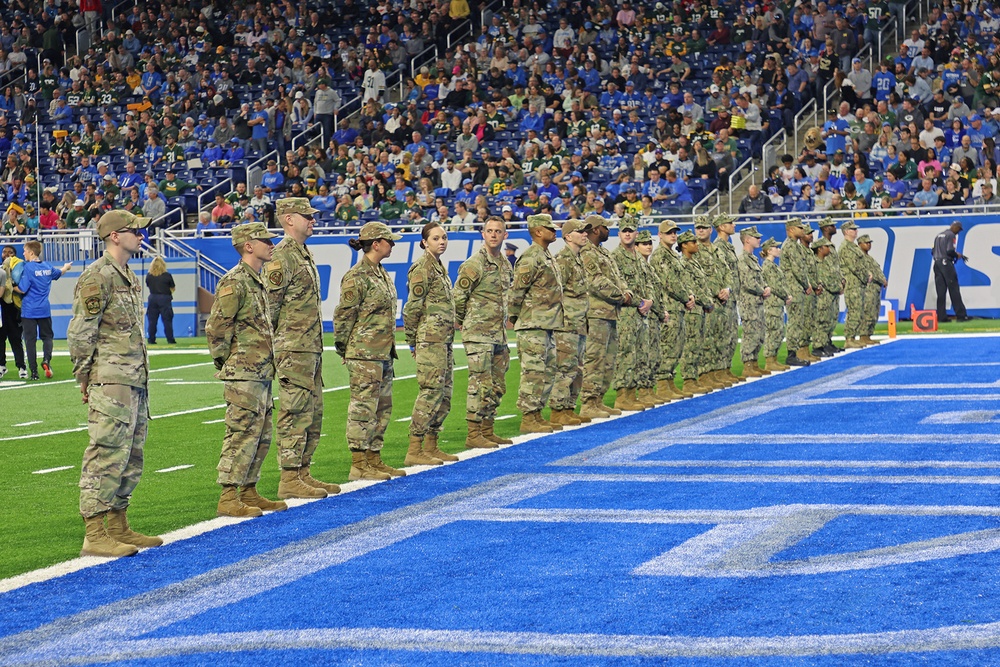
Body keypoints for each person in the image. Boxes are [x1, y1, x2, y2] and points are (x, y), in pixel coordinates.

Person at [68, 209, 160, 558]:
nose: (141, 235)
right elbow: (80, 333)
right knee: (106, 452)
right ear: (114, 236)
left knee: (131, 454)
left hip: (133, 378)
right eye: (134, 230)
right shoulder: (97, 276)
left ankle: (119, 524)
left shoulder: (128, 275)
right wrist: (84, 377)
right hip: (110, 380)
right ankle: (94, 531)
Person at [206, 222, 288, 518]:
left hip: (261, 371)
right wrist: (227, 361)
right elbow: (217, 328)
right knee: (241, 433)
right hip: (244, 372)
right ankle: (229, 494)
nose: (271, 244)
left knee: (262, 434)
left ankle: (249, 489)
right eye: (264, 240)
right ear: (248, 245)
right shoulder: (235, 281)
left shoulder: (257, 279)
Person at [265, 198, 341, 500]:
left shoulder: (303, 253)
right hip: (292, 350)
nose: (312, 220)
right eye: (306, 216)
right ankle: (289, 476)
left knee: (312, 412)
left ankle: (303, 471)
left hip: (309, 348)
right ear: (287, 219)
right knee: (294, 411)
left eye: (312, 215)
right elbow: (269, 307)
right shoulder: (281, 256)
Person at [334, 222, 406, 480]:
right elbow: (344, 315)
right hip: (364, 353)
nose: (393, 245)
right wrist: (344, 348)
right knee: (363, 408)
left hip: (383, 352)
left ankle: (374, 457)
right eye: (389, 240)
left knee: (382, 407)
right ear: (376, 243)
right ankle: (359, 462)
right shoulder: (357, 276)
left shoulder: (380, 272)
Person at [454, 217, 514, 449]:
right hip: (478, 334)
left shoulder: (505, 264)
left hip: (498, 334)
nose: (493, 235)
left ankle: (487, 429)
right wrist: (462, 322)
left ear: (504, 235)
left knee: (497, 385)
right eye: (489, 231)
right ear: (483, 233)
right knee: (479, 384)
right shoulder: (474, 263)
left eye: (498, 231)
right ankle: (473, 432)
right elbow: (458, 296)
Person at [403, 222, 459, 465]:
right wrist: (413, 341)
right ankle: (414, 449)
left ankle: (431, 444)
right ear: (425, 242)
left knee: (444, 395)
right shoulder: (422, 268)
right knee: (430, 392)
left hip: (444, 340)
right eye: (436, 238)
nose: (442, 241)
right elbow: (412, 307)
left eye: (444, 237)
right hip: (430, 340)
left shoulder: (438, 266)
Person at [509, 213, 565, 434]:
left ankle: (537, 413)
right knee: (533, 372)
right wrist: (516, 317)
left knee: (547, 370)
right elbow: (516, 292)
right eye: (549, 228)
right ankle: (528, 416)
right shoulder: (531, 257)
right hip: (532, 324)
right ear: (538, 231)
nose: (554, 231)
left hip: (547, 323)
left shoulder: (546, 255)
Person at [579, 214, 634, 419]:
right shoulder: (587, 252)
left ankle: (598, 400)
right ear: (595, 230)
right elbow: (596, 281)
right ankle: (588, 402)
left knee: (608, 360)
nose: (608, 230)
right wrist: (621, 296)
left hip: (610, 312)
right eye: (605, 227)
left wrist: (626, 292)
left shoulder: (603, 253)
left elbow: (617, 277)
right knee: (594, 358)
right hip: (595, 313)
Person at [549, 218, 592, 426]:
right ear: (567, 236)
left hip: (579, 322)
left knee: (576, 368)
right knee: (564, 368)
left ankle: (568, 407)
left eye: (585, 231)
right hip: (566, 324)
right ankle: (558, 410)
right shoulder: (563, 260)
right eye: (580, 231)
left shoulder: (577, 258)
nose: (585, 234)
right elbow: (556, 292)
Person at [611, 215, 656, 411]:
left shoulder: (639, 258)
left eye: (631, 231)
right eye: (624, 231)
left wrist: (650, 300)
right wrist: (640, 301)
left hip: (641, 313)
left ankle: (633, 392)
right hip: (626, 313)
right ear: (619, 233)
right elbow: (618, 284)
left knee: (640, 354)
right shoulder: (615, 257)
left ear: (636, 234)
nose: (627, 234)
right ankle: (622, 395)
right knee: (625, 354)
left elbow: (649, 283)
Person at [649, 221, 695, 400]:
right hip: (669, 306)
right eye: (669, 233)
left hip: (678, 307)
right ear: (660, 235)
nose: (673, 235)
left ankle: (669, 381)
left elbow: (682, 280)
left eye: (675, 232)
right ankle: (662, 384)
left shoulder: (672, 255)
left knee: (677, 347)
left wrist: (689, 295)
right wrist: (686, 297)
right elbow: (669, 282)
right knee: (667, 347)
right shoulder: (660, 256)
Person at [18, 241, 72, 380]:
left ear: (31, 252)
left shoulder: (28, 268)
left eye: (25, 251)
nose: (23, 253)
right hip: (44, 310)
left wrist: (10, 287)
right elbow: (59, 272)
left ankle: (34, 372)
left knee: (30, 341)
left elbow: (23, 288)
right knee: (47, 337)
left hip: (29, 310)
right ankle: (46, 360)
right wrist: (66, 266)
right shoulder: (47, 266)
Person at [693, 217, 732, 388]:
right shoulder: (694, 249)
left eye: (704, 227)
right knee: (705, 340)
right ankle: (704, 374)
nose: (700, 230)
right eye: (698, 228)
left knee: (719, 338)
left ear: (711, 230)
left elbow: (727, 272)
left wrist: (727, 288)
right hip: (705, 302)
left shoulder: (717, 250)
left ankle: (716, 371)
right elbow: (698, 277)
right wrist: (718, 291)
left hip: (721, 301)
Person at [676, 230, 717, 393]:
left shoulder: (694, 262)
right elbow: (690, 287)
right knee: (691, 345)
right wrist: (707, 301)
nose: (696, 244)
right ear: (684, 245)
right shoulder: (683, 263)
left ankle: (695, 376)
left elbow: (703, 285)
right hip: (692, 310)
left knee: (698, 343)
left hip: (700, 309)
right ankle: (688, 380)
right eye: (692, 242)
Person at [780, 219, 815, 366]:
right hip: (793, 287)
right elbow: (797, 269)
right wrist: (806, 283)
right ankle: (792, 354)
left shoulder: (795, 246)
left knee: (799, 321)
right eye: (799, 228)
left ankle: (795, 352)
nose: (803, 230)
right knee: (795, 321)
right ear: (791, 230)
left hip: (797, 287)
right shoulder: (790, 246)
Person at [712, 214, 741, 383]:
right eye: (730, 223)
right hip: (723, 298)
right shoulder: (719, 247)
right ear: (721, 227)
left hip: (732, 297)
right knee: (722, 335)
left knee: (731, 334)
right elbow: (721, 272)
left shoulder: (728, 246)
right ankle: (719, 370)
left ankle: (726, 367)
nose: (733, 225)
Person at [736, 226, 769, 377]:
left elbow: (758, 279)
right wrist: (763, 290)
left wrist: (765, 288)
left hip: (757, 302)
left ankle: (754, 362)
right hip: (749, 303)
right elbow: (748, 282)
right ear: (747, 240)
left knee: (759, 333)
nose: (759, 239)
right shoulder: (743, 259)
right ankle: (747, 365)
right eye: (756, 237)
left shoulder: (753, 259)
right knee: (751, 334)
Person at [635, 229, 663, 402]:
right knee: (643, 353)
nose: (648, 246)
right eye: (644, 243)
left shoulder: (648, 265)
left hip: (653, 314)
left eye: (649, 243)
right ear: (636, 246)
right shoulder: (639, 264)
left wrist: (661, 311)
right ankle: (642, 390)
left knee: (652, 353)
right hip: (643, 314)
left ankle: (648, 388)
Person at [814, 220, 845, 355]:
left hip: (834, 288)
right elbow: (824, 271)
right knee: (822, 318)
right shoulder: (820, 245)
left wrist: (841, 282)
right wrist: (835, 286)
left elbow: (835, 268)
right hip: (826, 289)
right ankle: (819, 345)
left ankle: (827, 341)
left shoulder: (830, 246)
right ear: (826, 228)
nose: (835, 227)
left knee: (831, 317)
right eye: (832, 225)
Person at [760, 238, 792, 371]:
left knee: (778, 331)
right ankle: (769, 360)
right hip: (772, 303)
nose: (779, 250)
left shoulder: (773, 266)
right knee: (773, 331)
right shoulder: (767, 266)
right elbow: (774, 285)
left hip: (777, 303)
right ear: (769, 250)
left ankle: (773, 358)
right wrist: (786, 295)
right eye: (776, 248)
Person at [932, 220, 970, 322]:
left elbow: (933, 251)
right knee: (954, 289)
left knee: (941, 292)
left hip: (937, 263)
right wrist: (957, 255)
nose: (958, 232)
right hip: (946, 263)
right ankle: (961, 315)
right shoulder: (951, 235)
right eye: (959, 229)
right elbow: (949, 251)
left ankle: (941, 317)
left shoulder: (939, 235)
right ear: (955, 227)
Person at [838, 220, 868, 348]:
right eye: (853, 229)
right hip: (852, 282)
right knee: (854, 310)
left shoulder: (853, 246)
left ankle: (853, 337)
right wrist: (866, 277)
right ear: (846, 232)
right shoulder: (846, 247)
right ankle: (849, 338)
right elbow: (854, 267)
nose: (856, 231)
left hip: (858, 282)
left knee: (858, 310)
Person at [0, 245, 27, 379]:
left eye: (10, 253)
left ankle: (21, 367)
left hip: (14, 310)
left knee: (15, 339)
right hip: (1, 311)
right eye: (4, 252)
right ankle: (1, 366)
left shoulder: (20, 270)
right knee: (0, 339)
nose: (6, 254)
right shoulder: (0, 271)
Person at [858, 234, 887, 346]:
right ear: (860, 244)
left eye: (869, 243)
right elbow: (869, 273)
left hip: (875, 289)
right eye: (866, 243)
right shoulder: (860, 258)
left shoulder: (869, 258)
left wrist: (883, 279)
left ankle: (868, 334)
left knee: (874, 312)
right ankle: (863, 335)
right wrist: (881, 279)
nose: (869, 245)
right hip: (868, 289)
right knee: (867, 312)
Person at [145, 256, 176, 345]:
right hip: (165, 298)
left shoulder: (149, 276)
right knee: (167, 320)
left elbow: (148, 285)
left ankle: (151, 339)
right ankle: (170, 339)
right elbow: (173, 287)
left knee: (152, 320)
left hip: (152, 298)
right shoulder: (167, 275)